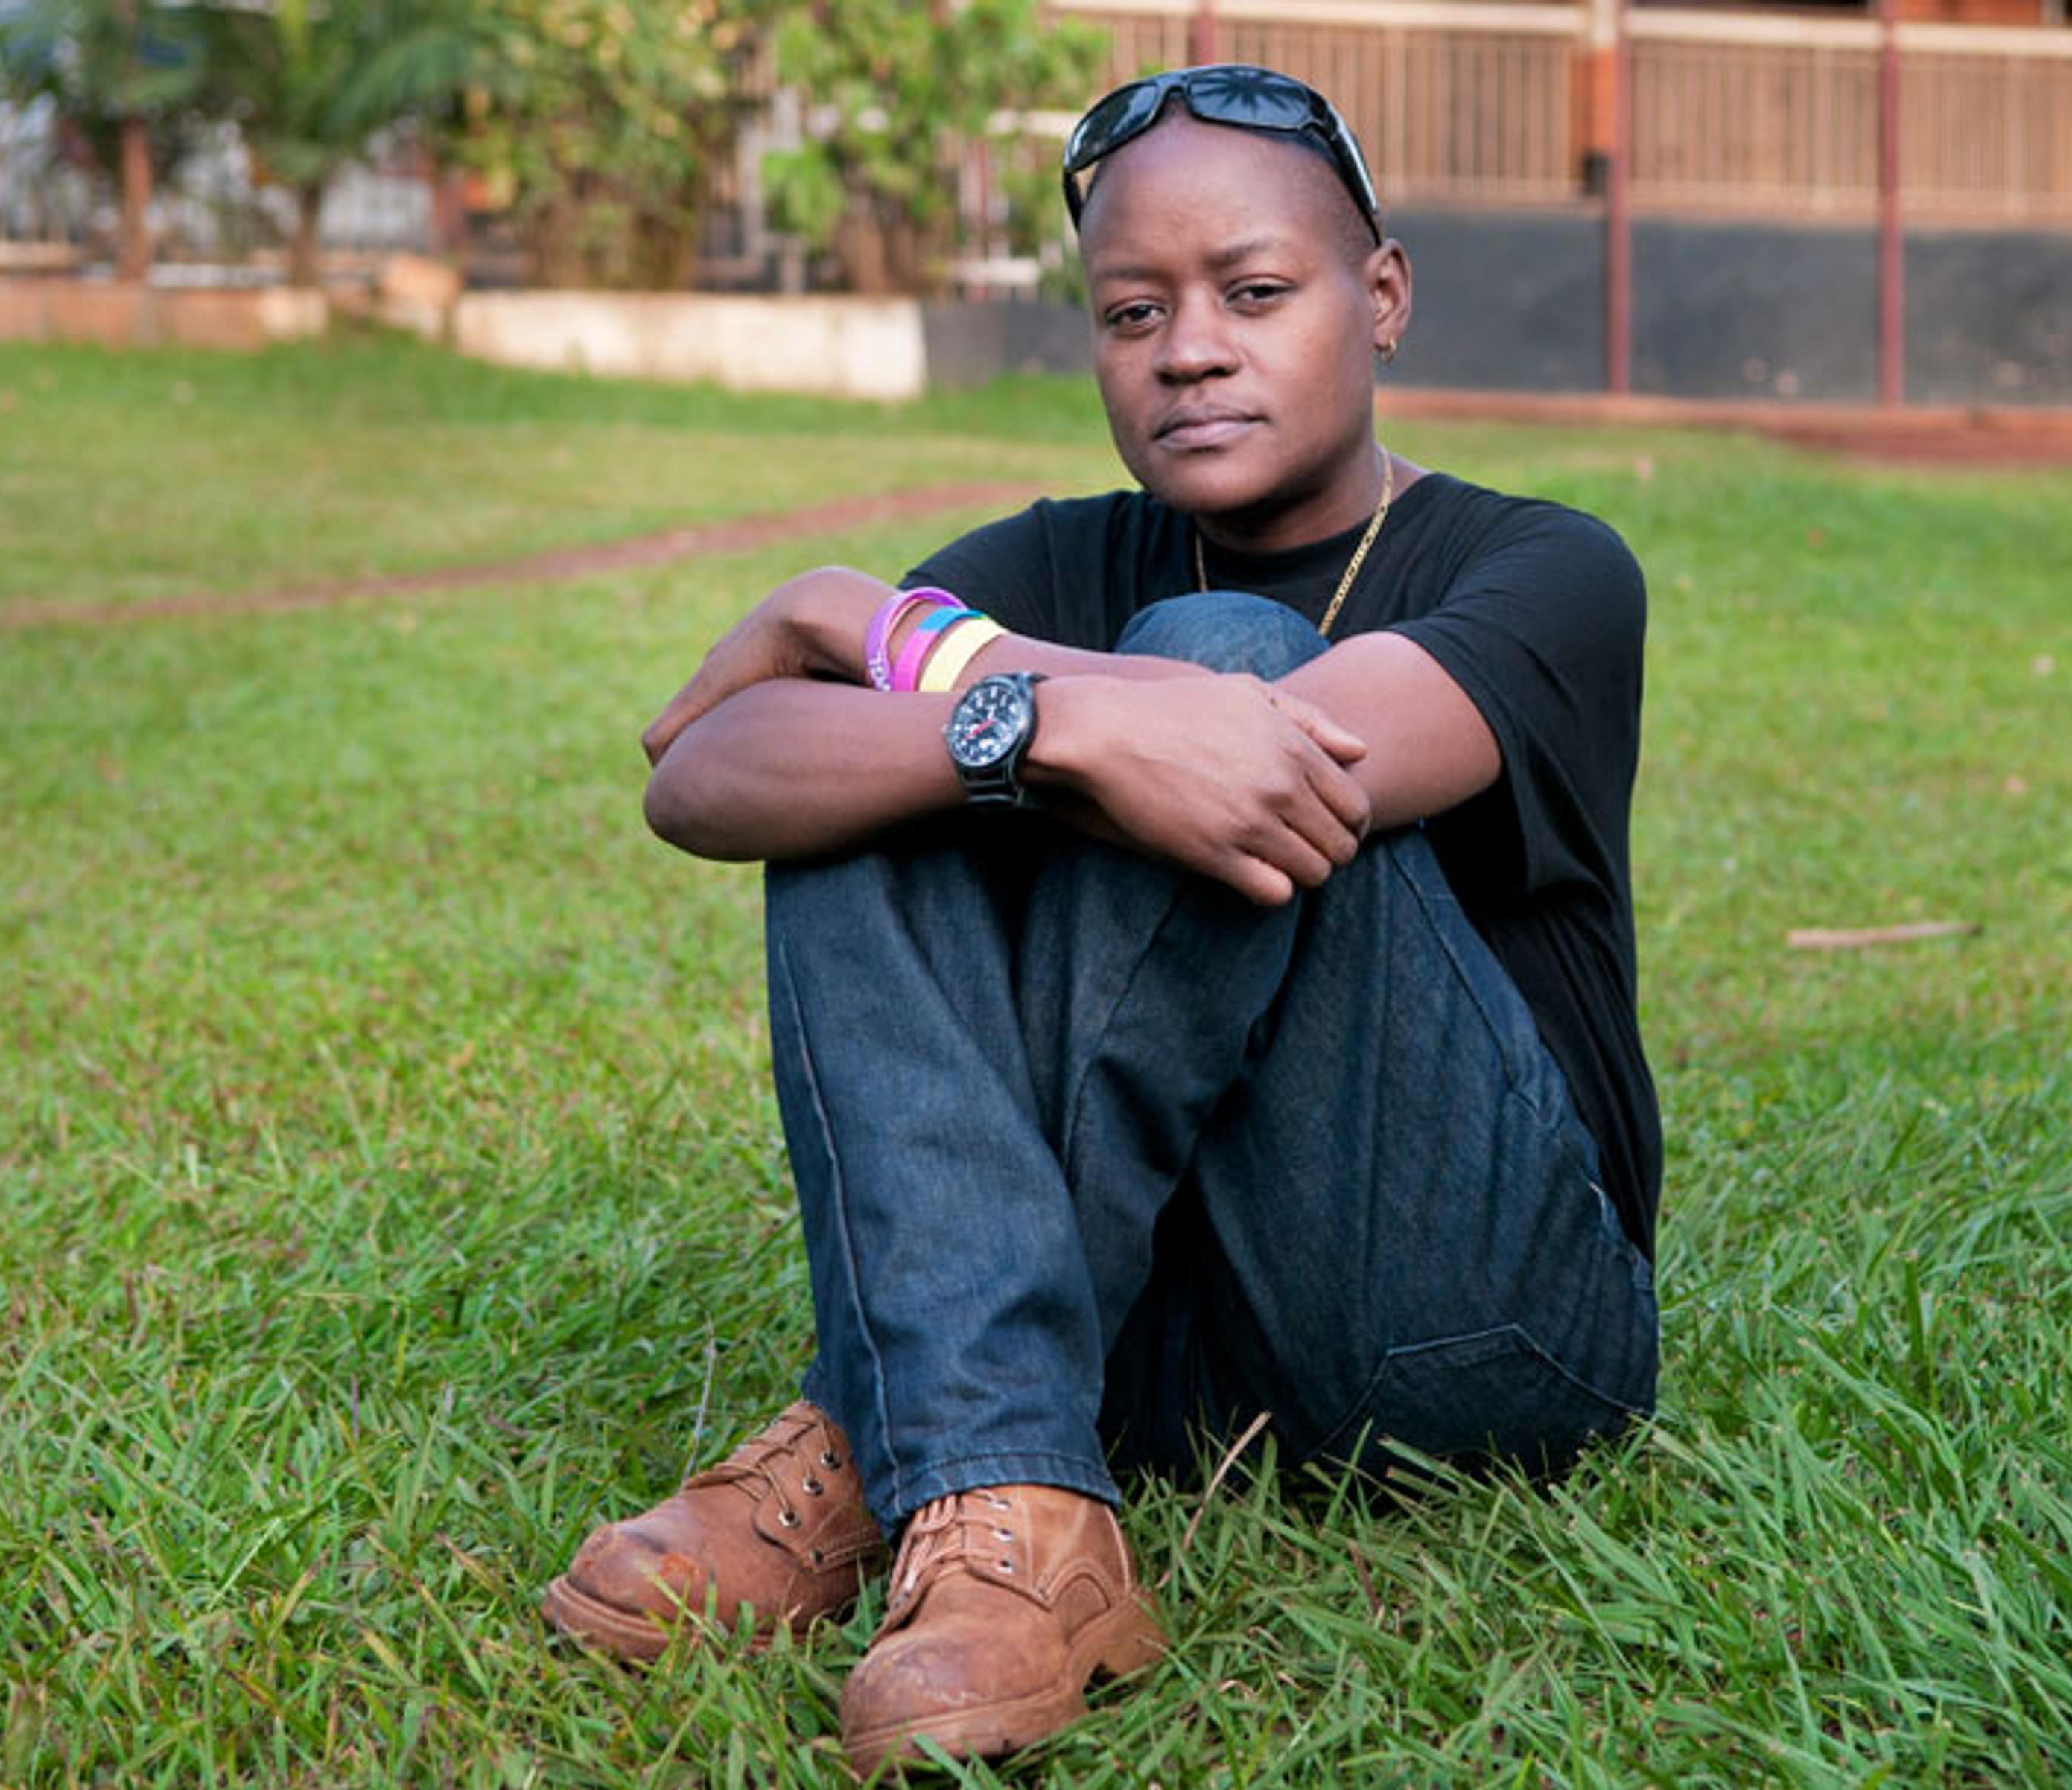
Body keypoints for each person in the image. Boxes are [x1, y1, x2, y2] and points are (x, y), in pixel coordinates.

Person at [539, 65, 1661, 1778]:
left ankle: (880, 1422)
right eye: (1132, 309)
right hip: (1156, 1345)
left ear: (1382, 298)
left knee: (1205, 671)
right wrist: (1023, 718)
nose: (1188, 348)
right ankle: (1007, 1498)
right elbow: (707, 773)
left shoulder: (1546, 567)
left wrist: (867, 617)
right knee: (886, 768)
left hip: (1478, 1321)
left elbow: (1280, 757)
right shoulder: (1055, 559)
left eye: (1256, 293)